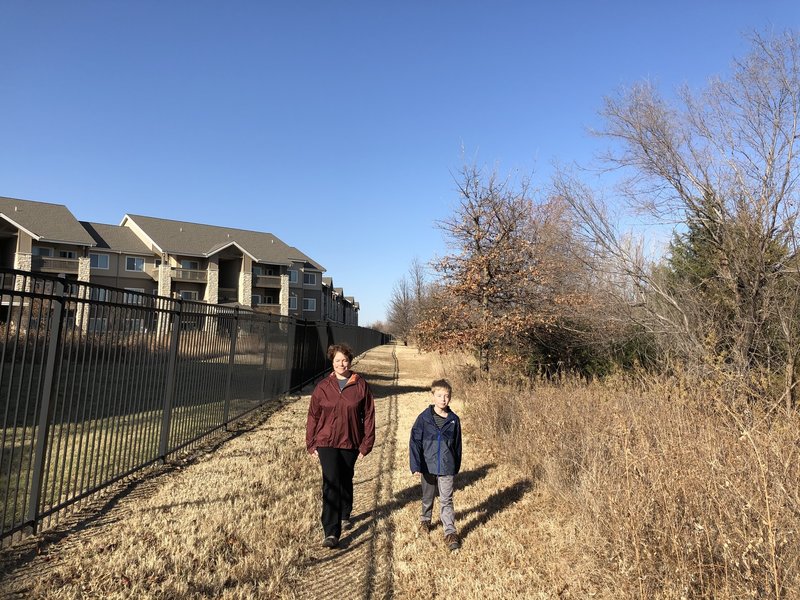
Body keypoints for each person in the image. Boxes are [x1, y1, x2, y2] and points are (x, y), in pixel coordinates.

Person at [306, 343, 376, 549]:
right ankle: (331, 531)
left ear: (350, 361)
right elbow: (313, 416)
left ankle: (345, 512)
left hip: (350, 440)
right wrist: (311, 443)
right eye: (337, 360)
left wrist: (366, 444)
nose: (341, 364)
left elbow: (369, 416)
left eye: (344, 360)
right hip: (326, 441)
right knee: (331, 482)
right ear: (332, 362)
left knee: (345, 478)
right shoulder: (323, 387)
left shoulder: (360, 385)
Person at [409, 378, 463, 551]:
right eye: (439, 395)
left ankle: (450, 532)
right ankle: (425, 520)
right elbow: (415, 442)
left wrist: (455, 466)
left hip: (447, 466)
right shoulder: (424, 419)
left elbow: (458, 446)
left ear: (450, 398)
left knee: (446, 500)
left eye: (446, 396)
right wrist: (416, 464)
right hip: (427, 465)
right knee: (428, 496)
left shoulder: (454, 420)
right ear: (433, 396)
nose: (443, 399)